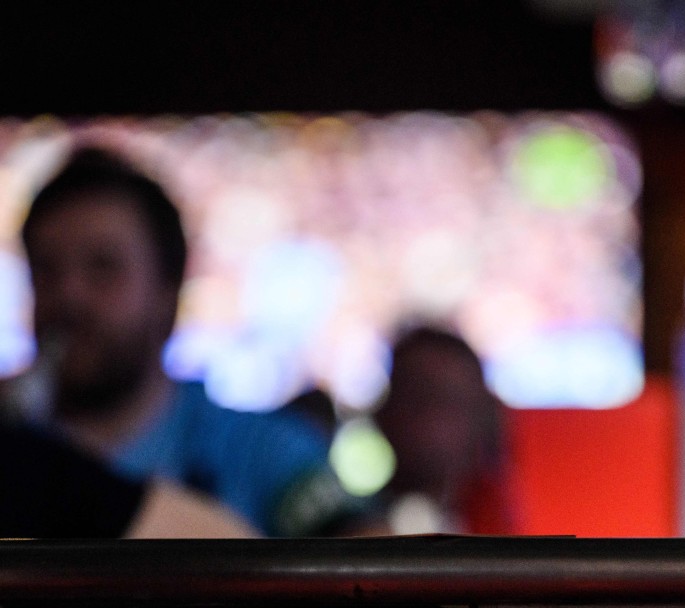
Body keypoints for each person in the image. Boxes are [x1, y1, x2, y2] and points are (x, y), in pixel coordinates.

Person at [0, 146, 362, 538]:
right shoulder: (11, 445)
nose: (69, 295)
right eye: (45, 269)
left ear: (167, 293)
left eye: (103, 267)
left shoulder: (260, 451)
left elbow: (371, 572)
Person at [371, 324, 517, 534]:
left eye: (452, 400)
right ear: (384, 411)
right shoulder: (345, 531)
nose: (432, 418)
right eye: (418, 397)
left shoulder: (501, 527)